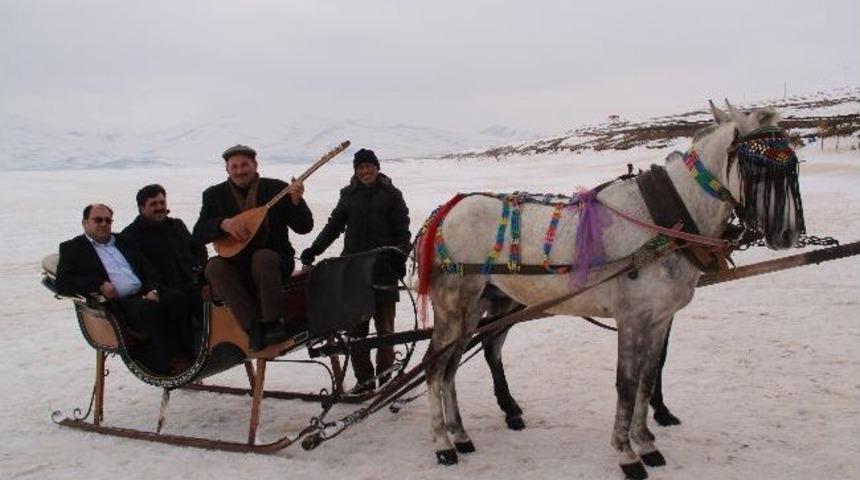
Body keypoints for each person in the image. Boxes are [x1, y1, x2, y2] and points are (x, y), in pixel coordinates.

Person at [300, 148, 411, 392]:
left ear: (377, 167)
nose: (365, 171)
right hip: (354, 271)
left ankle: (386, 380)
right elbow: (334, 227)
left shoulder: (392, 195)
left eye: (368, 166)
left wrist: (400, 256)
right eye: (360, 168)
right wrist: (314, 250)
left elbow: (403, 231)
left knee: (385, 331)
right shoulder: (348, 195)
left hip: (383, 268)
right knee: (356, 330)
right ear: (356, 171)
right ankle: (364, 380)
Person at [193, 144, 313, 351]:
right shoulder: (214, 195)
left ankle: (272, 323)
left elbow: (304, 227)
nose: (240, 170)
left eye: (244, 165)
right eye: (235, 166)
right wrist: (223, 224)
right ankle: (252, 329)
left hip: (273, 261)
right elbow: (199, 233)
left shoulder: (276, 188)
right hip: (236, 264)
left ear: (255, 165)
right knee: (214, 268)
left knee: (262, 257)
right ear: (227, 169)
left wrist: (296, 201)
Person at [55, 203, 193, 374]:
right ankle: (170, 360)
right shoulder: (73, 248)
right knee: (148, 310)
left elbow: (148, 269)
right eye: (98, 220)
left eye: (108, 220)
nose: (104, 224)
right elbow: (62, 282)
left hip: (145, 293)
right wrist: (97, 284)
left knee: (178, 298)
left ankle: (190, 353)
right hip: (118, 303)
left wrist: (153, 289)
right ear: (85, 223)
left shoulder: (124, 240)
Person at [122, 184, 207, 331]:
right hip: (162, 288)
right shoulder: (131, 235)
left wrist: (198, 267)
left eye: (162, 203)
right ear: (142, 208)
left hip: (191, 279)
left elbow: (198, 248)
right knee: (184, 298)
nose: (159, 207)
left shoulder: (176, 225)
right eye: (153, 204)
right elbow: (138, 268)